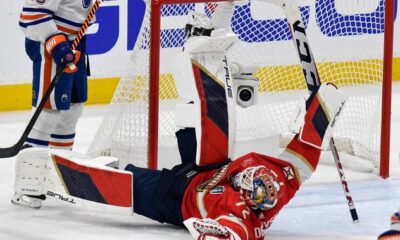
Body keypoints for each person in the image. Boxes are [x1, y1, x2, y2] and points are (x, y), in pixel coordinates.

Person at [11, 3, 348, 239]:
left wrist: (212, 230)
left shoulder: (238, 215)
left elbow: (227, 233)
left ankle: (44, 173)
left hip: (174, 197)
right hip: (209, 169)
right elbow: (304, 152)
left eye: (250, 179)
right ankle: (200, 49)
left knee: (120, 179)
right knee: (213, 116)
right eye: (259, 174)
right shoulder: (278, 180)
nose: (256, 171)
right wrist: (322, 110)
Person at [13, 0, 95, 206]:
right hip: (52, 46)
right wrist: (57, 44)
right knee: (48, 112)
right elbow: (32, 15)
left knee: (72, 111)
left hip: (75, 43)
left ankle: (57, 178)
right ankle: (27, 186)